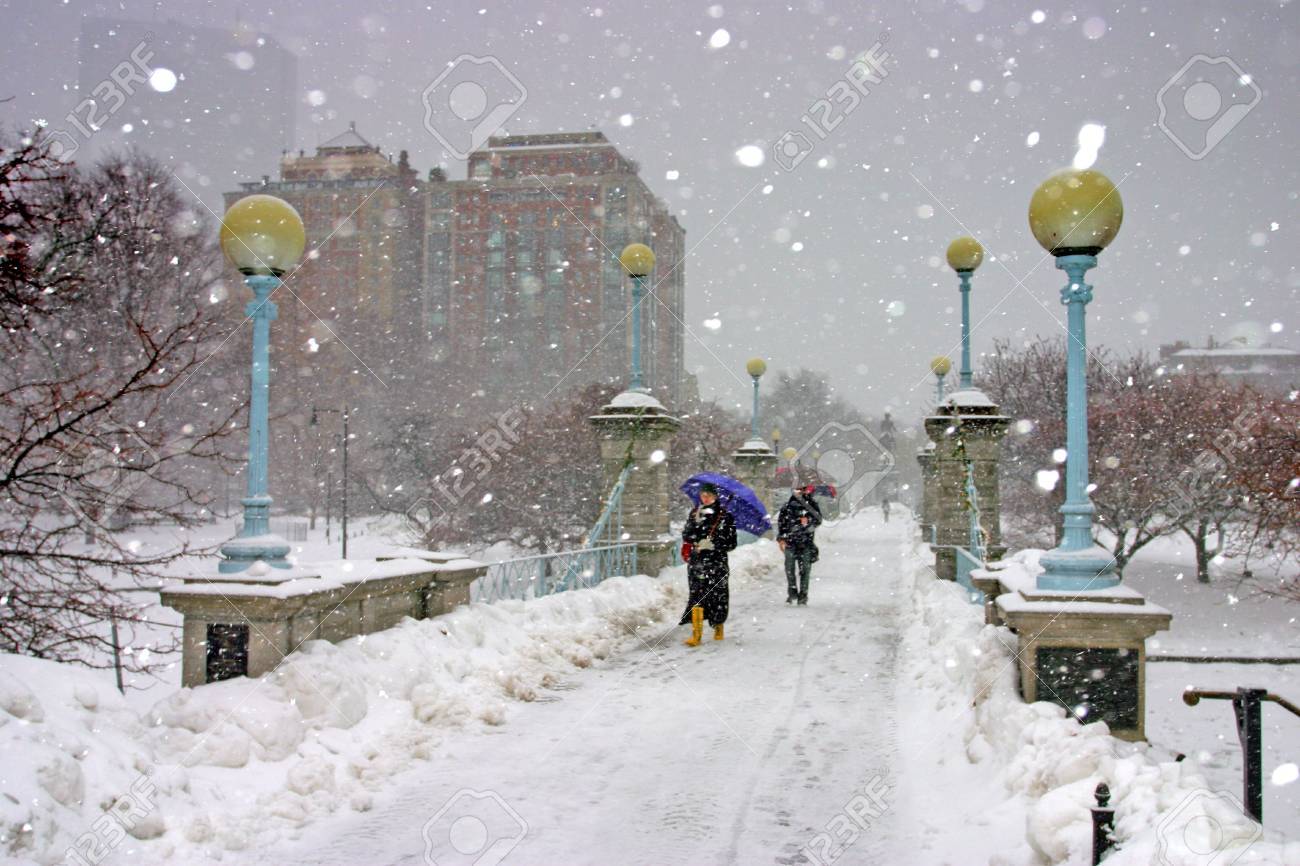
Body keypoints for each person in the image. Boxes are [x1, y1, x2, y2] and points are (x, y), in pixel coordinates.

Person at [680, 482, 738, 646]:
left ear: (715, 497)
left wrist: (714, 544)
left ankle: (718, 626)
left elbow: (732, 543)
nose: (704, 498)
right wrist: (697, 540)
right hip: (697, 561)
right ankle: (696, 634)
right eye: (702, 495)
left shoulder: (725, 517)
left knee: (717, 596)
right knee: (696, 595)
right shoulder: (695, 513)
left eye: (708, 495)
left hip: (717, 563)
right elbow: (687, 535)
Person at [777, 485, 822, 605]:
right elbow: (781, 524)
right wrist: (781, 538)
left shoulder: (811, 505)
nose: (799, 492)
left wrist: (808, 524)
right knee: (789, 569)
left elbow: (818, 520)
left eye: (801, 489)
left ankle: (803, 595)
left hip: (806, 543)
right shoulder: (787, 506)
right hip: (790, 542)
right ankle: (792, 592)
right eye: (796, 489)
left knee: (805, 570)